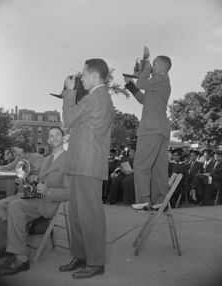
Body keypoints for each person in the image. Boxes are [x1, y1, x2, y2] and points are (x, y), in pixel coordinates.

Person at [59, 59, 114, 279]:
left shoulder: (98, 97)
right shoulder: (95, 98)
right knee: (77, 215)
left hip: (88, 164)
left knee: (90, 215)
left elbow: (68, 119)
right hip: (80, 162)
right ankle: (81, 256)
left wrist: (69, 92)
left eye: (83, 74)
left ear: (94, 76)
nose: (81, 78)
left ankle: (95, 262)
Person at [0, 127, 69, 276]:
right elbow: (38, 180)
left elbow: (69, 192)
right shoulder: (48, 158)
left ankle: (21, 258)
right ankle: (6, 247)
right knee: (0, 205)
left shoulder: (69, 160)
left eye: (58, 135)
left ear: (64, 138)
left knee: (15, 206)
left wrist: (48, 191)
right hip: (35, 195)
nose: (54, 138)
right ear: (48, 140)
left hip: (49, 202)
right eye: (51, 135)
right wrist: (27, 180)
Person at [124, 55, 172, 210]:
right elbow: (143, 100)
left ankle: (143, 200)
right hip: (161, 129)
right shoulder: (159, 82)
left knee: (141, 165)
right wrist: (130, 86)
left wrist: (144, 69)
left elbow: (141, 82)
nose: (152, 66)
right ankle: (159, 201)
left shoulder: (161, 78)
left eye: (154, 64)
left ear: (162, 66)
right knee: (158, 168)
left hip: (151, 128)